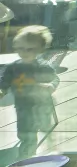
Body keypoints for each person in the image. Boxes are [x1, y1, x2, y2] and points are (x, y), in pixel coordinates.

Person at [0, 26, 59, 157]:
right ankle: (27, 155)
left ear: (40, 50)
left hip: (42, 104)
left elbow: (55, 78)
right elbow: (5, 80)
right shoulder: (14, 67)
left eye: (30, 49)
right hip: (23, 105)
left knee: (44, 127)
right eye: (21, 48)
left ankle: (51, 149)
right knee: (26, 132)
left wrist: (50, 85)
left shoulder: (42, 67)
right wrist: (2, 90)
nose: (24, 52)